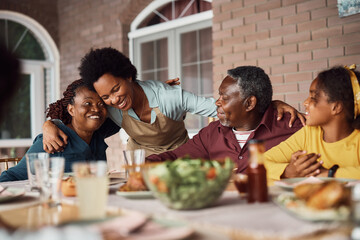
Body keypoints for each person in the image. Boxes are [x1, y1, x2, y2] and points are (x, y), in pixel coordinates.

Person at [42, 47, 304, 157]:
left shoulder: (169, 96)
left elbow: (222, 108)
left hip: (179, 155)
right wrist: (49, 124)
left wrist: (271, 103)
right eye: (106, 97)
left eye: (116, 89)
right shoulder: (109, 108)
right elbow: (75, 120)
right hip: (141, 159)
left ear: (129, 76)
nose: (114, 99)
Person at [146, 66, 303, 174]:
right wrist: (143, 164)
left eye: (224, 97)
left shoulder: (292, 127)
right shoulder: (212, 133)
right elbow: (174, 157)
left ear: (249, 103)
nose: (217, 102)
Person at [0, 79, 119, 182]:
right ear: (71, 110)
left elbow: (128, 112)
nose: (96, 109)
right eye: (87, 103)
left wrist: (49, 123)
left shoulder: (98, 131)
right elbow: (11, 176)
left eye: (101, 104)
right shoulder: (52, 140)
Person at [264, 65, 360, 185]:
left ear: (336, 107)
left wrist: (328, 174)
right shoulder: (309, 133)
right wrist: (287, 172)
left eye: (314, 98)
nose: (305, 103)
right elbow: (260, 162)